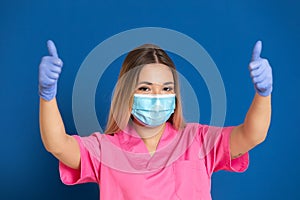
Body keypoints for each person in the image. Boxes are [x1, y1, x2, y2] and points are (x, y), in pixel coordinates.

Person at [39, 40, 272, 200]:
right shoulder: (106, 149)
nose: (158, 97)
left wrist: (263, 95)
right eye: (145, 88)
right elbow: (58, 144)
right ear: (127, 93)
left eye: (166, 88)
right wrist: (47, 95)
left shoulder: (198, 139)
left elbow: (252, 135)